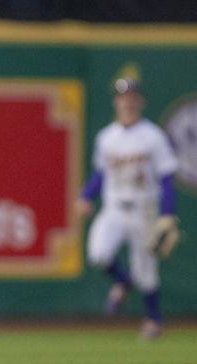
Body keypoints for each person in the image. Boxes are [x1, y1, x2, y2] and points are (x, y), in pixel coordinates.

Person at [76, 78, 178, 339]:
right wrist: (86, 196)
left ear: (140, 101)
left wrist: (166, 214)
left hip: (144, 209)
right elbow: (101, 174)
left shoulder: (153, 136)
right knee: (98, 253)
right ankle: (123, 281)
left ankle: (153, 320)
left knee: (146, 270)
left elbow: (166, 177)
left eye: (133, 96)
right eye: (123, 96)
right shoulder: (106, 137)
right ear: (116, 101)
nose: (128, 101)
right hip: (114, 208)